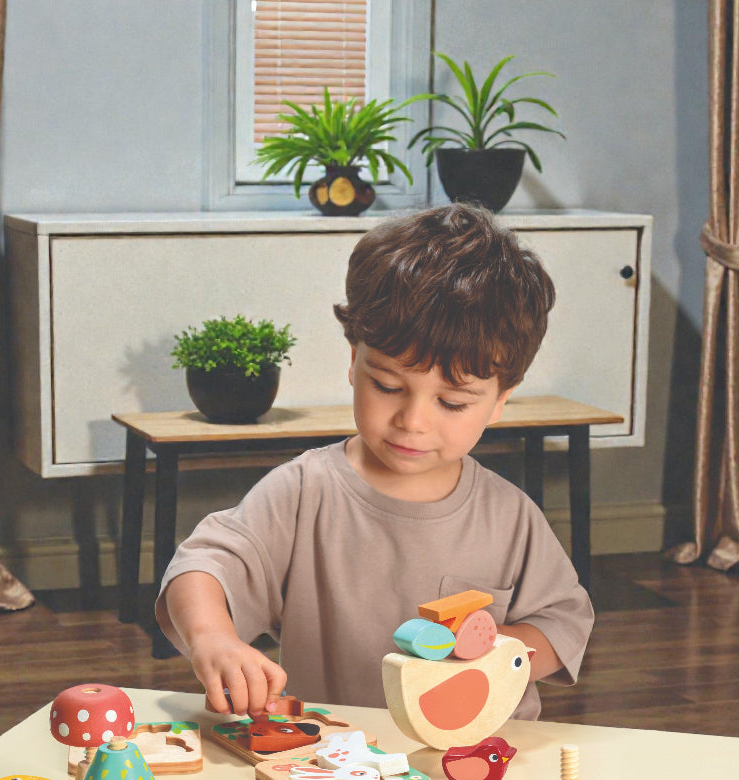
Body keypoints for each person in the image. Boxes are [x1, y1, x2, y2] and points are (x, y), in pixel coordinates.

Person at [155, 203, 594, 719]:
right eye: (387, 385)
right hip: (332, 765)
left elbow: (562, 619)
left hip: (475, 765)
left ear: (501, 399)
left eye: (452, 403)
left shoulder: (510, 516)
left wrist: (493, 656)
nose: (413, 420)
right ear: (353, 360)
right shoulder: (303, 491)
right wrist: (212, 638)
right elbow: (203, 566)